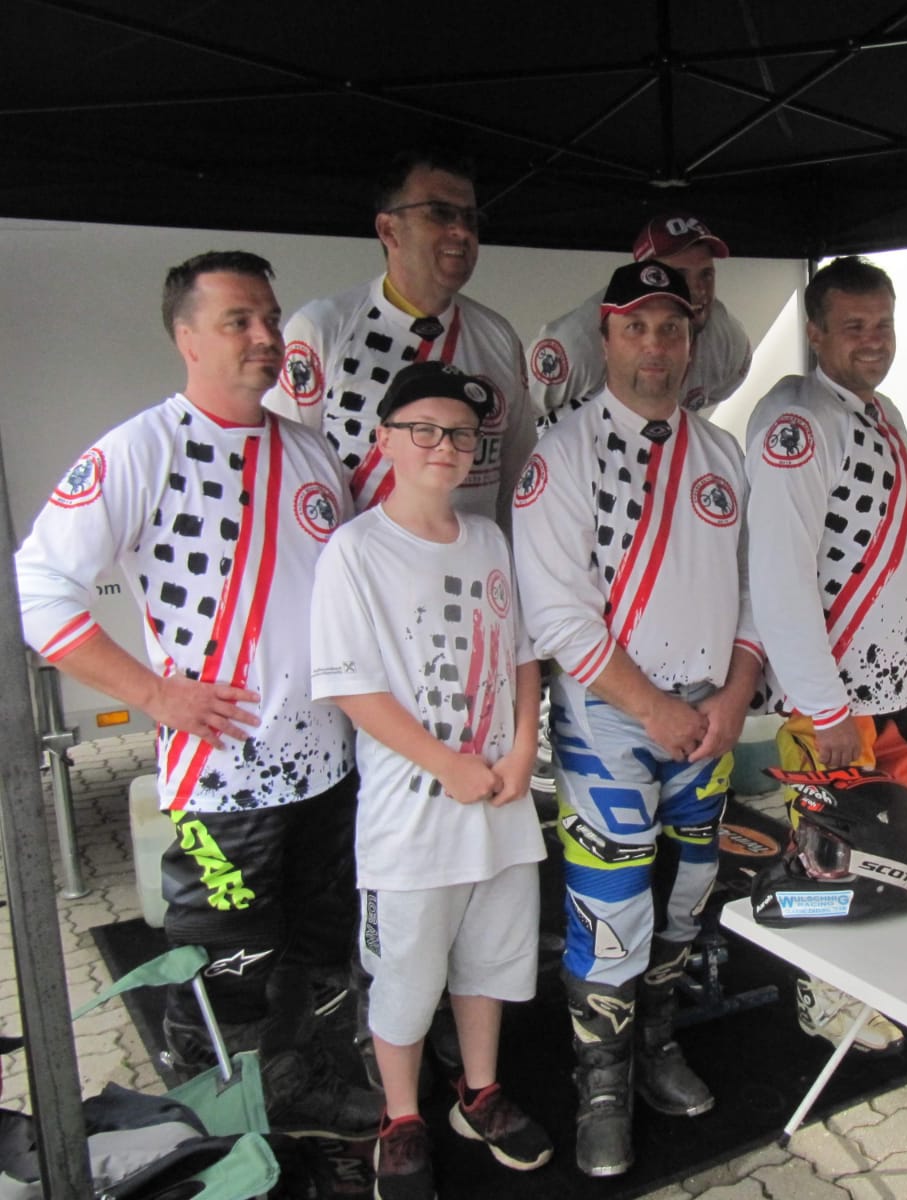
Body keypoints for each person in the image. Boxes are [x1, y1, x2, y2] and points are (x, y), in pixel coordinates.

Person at [13, 251, 381, 1136]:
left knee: (320, 946)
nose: (266, 336)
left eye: (271, 318)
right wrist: (153, 693)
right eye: (238, 321)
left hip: (329, 767)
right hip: (225, 781)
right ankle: (223, 1118)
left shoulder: (309, 449)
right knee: (229, 965)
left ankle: (304, 1083)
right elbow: (35, 589)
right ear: (186, 338)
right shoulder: (142, 448)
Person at [512, 259, 763, 1178]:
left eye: (672, 328)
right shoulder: (562, 454)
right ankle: (602, 1085)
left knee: (691, 892)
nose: (655, 345)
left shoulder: (723, 454)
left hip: (710, 719)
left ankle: (656, 1043)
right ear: (606, 338)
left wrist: (735, 695)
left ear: (691, 343)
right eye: (636, 327)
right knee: (609, 907)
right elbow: (558, 616)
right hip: (612, 721)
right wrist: (654, 709)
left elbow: (757, 592)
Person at [309, 361, 550, 1195]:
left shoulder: (488, 539)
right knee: (406, 978)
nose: (444, 446)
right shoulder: (356, 551)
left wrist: (521, 751)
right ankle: (402, 1116)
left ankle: (479, 1093)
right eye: (424, 431)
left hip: (501, 806)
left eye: (460, 434)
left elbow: (522, 657)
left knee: (492, 960)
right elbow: (350, 686)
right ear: (385, 441)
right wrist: (447, 764)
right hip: (412, 820)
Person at [744, 255, 907, 1053]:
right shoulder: (797, 424)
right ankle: (825, 996)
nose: (874, 340)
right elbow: (780, 576)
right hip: (833, 700)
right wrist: (823, 704)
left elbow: (892, 546)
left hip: (891, 684)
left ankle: (891, 973)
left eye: (884, 324)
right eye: (854, 326)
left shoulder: (882, 410)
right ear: (816, 331)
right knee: (829, 857)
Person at [264, 148, 534, 533]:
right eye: (440, 213)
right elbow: (281, 469)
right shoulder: (322, 328)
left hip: (472, 564)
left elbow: (518, 481)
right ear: (389, 230)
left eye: (471, 218)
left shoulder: (499, 337)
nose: (461, 232)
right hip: (358, 566)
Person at [528, 213, 751, 424]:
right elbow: (524, 412)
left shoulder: (728, 340)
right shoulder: (576, 344)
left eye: (706, 275)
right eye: (679, 275)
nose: (698, 289)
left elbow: (720, 390)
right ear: (646, 275)